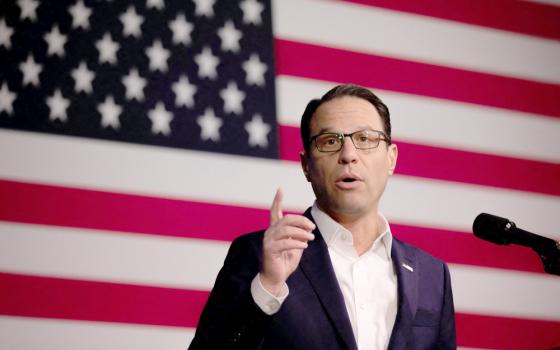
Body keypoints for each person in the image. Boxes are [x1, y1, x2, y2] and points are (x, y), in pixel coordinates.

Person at [189, 84, 456, 350]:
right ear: (306, 166)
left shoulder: (433, 275)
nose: (349, 155)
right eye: (330, 142)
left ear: (391, 158)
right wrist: (267, 288)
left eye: (365, 139)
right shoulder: (258, 255)